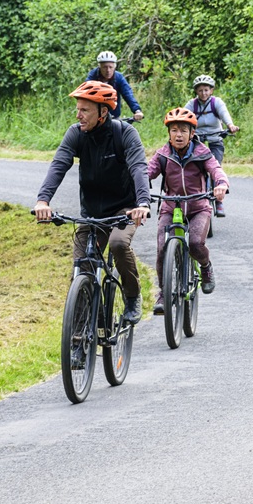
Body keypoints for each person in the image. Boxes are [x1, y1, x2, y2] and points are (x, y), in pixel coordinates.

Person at [34, 81, 151, 324]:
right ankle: (81, 335)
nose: (78, 115)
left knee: (118, 243)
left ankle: (132, 295)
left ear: (103, 112)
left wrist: (143, 203)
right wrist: (43, 200)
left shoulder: (125, 133)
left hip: (125, 208)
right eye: (78, 109)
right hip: (92, 212)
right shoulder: (76, 133)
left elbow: (139, 167)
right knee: (82, 269)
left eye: (85, 110)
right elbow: (59, 164)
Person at [147, 108, 230, 315]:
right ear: (169, 133)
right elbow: (145, 173)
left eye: (183, 130)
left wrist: (221, 184)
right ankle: (163, 293)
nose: (179, 135)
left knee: (194, 243)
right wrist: (136, 189)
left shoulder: (202, 153)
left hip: (198, 207)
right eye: (174, 130)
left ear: (192, 133)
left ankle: (205, 266)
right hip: (170, 207)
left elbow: (216, 170)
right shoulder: (162, 155)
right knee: (162, 247)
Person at [184, 74, 239, 217]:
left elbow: (224, 114)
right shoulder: (192, 104)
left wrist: (230, 125)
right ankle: (194, 198)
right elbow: (183, 117)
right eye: (200, 90)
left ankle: (218, 201)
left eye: (206, 90)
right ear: (196, 91)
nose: (203, 93)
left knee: (215, 168)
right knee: (194, 167)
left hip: (215, 138)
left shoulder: (216, 102)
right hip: (197, 139)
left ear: (211, 90)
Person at [86, 51, 144, 122]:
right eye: (104, 67)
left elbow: (128, 94)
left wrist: (137, 110)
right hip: (95, 115)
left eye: (110, 67)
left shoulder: (119, 78)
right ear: (99, 67)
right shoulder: (93, 76)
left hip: (114, 116)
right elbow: (85, 93)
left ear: (115, 67)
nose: (108, 70)